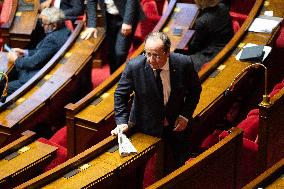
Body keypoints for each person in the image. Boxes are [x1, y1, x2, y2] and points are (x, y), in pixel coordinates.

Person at [112, 32, 202, 171]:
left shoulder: (183, 63)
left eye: (156, 55)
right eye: (147, 53)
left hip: (175, 123)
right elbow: (120, 95)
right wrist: (122, 121)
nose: (150, 59)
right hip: (144, 126)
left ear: (167, 53)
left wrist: (185, 115)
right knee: (145, 169)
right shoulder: (134, 66)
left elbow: (195, 91)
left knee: (179, 164)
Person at [6, 7, 71, 95]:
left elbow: (33, 63)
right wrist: (25, 52)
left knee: (4, 85)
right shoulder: (65, 30)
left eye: (44, 23)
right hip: (45, 68)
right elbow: (44, 53)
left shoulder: (52, 40)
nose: (42, 25)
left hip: (35, 79)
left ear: (54, 25)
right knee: (11, 71)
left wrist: (15, 59)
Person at [81, 0, 145, 73]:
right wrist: (92, 25)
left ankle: (120, 78)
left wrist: (127, 22)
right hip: (109, 17)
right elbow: (91, 1)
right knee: (111, 52)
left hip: (127, 16)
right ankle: (113, 78)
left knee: (120, 53)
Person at [188, 0, 234, 71]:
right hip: (228, 44)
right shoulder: (223, 6)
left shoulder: (202, 21)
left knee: (183, 63)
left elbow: (195, 46)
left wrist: (187, 47)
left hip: (213, 55)